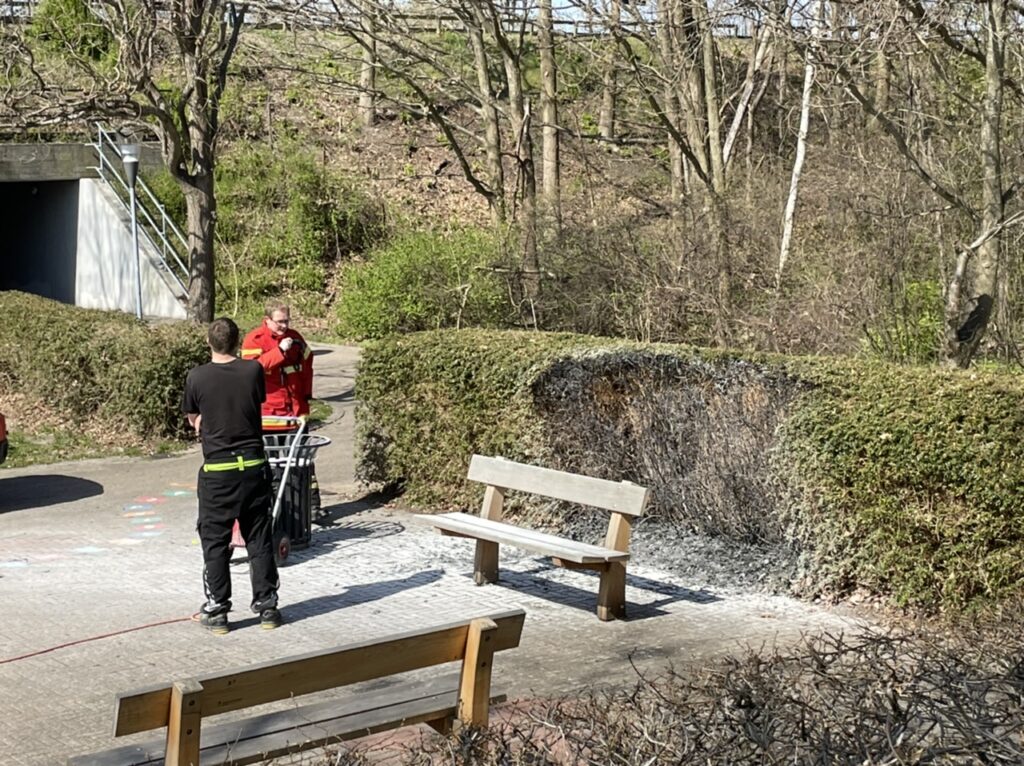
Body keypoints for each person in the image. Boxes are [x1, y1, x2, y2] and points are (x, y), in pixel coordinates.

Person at [182, 317, 282, 634]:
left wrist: (201, 422)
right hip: (253, 466)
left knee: (215, 541)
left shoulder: (196, 376)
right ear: (238, 342)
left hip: (218, 471)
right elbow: (254, 402)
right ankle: (267, 606)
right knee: (258, 537)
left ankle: (218, 610)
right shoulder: (252, 370)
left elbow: (193, 417)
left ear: (208, 343)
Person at [242, 301, 322, 517]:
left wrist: (306, 397)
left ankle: (310, 508)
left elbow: (307, 366)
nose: (284, 326)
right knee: (272, 466)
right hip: (268, 415)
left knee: (302, 463)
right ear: (267, 320)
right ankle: (274, 508)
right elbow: (252, 369)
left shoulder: (296, 338)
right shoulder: (254, 339)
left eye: (287, 321)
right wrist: (279, 351)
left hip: (296, 412)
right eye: (279, 322)